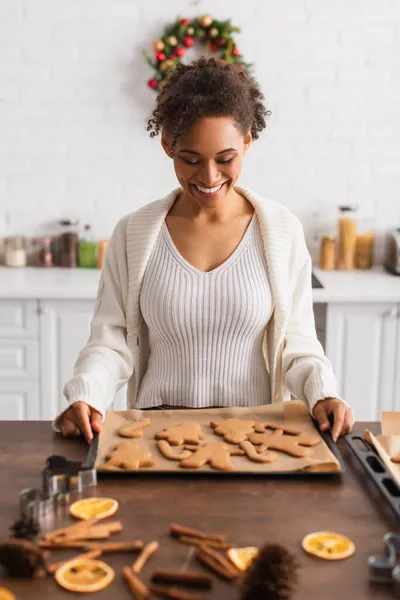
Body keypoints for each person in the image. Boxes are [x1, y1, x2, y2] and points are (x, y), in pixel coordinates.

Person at [56, 57, 354, 444]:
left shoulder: (281, 231)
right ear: (167, 146)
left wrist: (323, 393)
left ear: (248, 142)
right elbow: (110, 342)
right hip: (154, 435)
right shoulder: (134, 233)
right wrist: (87, 395)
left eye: (226, 159)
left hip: (253, 434)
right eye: (190, 160)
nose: (209, 177)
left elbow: (296, 344)